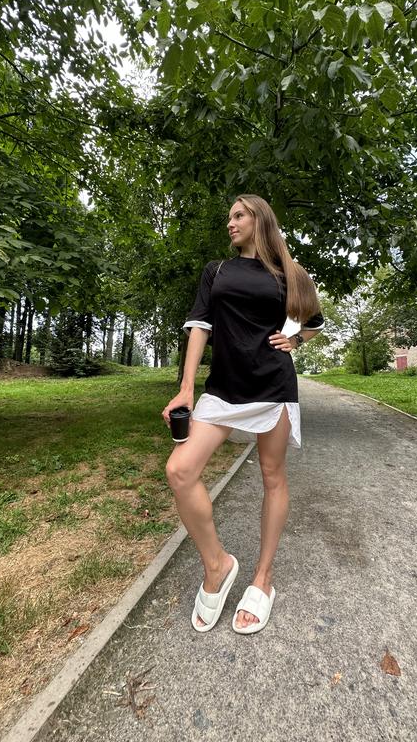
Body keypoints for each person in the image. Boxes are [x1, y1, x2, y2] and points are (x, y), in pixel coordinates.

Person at [162, 194, 324, 635]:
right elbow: (200, 326)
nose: (230, 223)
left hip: (273, 387)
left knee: (273, 476)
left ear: (260, 220)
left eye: (239, 215)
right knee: (180, 470)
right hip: (223, 390)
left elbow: (314, 321)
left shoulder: (290, 274)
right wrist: (186, 388)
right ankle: (217, 564)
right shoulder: (217, 271)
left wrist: (296, 341)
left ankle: (263, 578)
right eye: (229, 217)